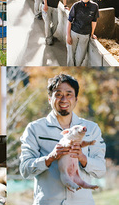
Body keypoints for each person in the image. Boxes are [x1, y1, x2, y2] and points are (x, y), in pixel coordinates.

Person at [19, 74, 106, 204]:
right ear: (50, 99)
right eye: (58, 94)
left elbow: (101, 170)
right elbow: (25, 170)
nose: (64, 99)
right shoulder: (34, 129)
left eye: (69, 94)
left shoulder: (91, 129)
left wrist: (82, 158)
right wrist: (50, 158)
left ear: (76, 99)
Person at [66, 0, 99, 66]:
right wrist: (68, 36)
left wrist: (92, 33)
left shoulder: (94, 6)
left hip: (85, 35)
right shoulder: (76, 6)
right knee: (71, 56)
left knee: (80, 58)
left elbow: (94, 21)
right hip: (74, 32)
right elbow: (69, 21)